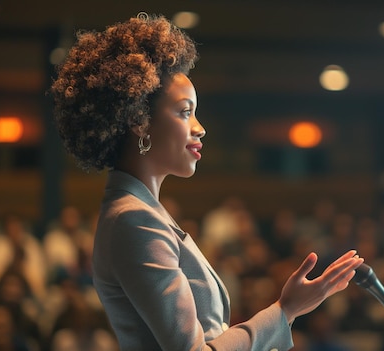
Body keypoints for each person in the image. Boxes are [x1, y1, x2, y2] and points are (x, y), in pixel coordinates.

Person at [50, 13, 364, 351]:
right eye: (185, 112)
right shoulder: (134, 219)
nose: (199, 127)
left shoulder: (143, 213)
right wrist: (285, 311)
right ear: (139, 121)